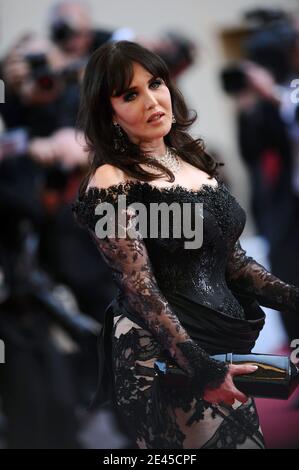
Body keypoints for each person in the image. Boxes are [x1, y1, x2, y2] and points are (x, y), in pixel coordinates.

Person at [72, 40, 299, 449]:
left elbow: (234, 264)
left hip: (220, 348)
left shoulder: (191, 162)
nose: (151, 100)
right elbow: (138, 287)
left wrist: (295, 298)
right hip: (165, 356)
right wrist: (200, 367)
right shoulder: (111, 179)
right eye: (129, 94)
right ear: (110, 114)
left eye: (155, 83)